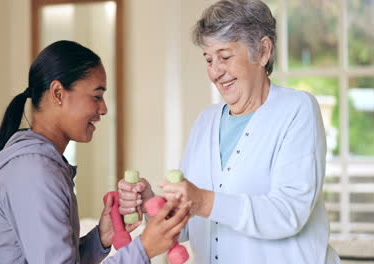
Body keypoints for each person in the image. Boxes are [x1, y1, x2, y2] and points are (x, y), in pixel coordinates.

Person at [118, 0, 341, 263]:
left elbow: (288, 213)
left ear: (263, 51)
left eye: (224, 57)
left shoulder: (296, 110)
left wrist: (202, 200)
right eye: (208, 59)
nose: (214, 72)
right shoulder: (206, 121)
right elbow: (190, 224)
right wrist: (151, 205)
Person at [0, 40, 191, 264]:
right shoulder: (34, 172)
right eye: (96, 96)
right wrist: (144, 248)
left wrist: (101, 236)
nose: (104, 108)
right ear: (58, 93)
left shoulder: (40, 163)